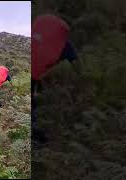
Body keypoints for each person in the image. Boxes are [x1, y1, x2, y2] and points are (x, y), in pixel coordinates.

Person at [32, 14, 79, 144]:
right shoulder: (65, 44)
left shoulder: (38, 33)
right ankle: (35, 135)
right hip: (39, 73)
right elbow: (76, 63)